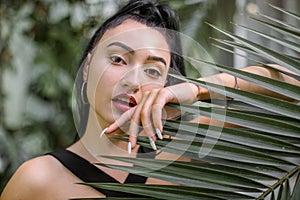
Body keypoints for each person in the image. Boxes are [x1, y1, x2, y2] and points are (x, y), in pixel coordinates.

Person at [1, 0, 299, 199]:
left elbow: (291, 87)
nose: (133, 80)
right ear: (88, 66)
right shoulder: (37, 180)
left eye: (153, 69)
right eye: (118, 59)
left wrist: (197, 89)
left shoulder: (186, 155)